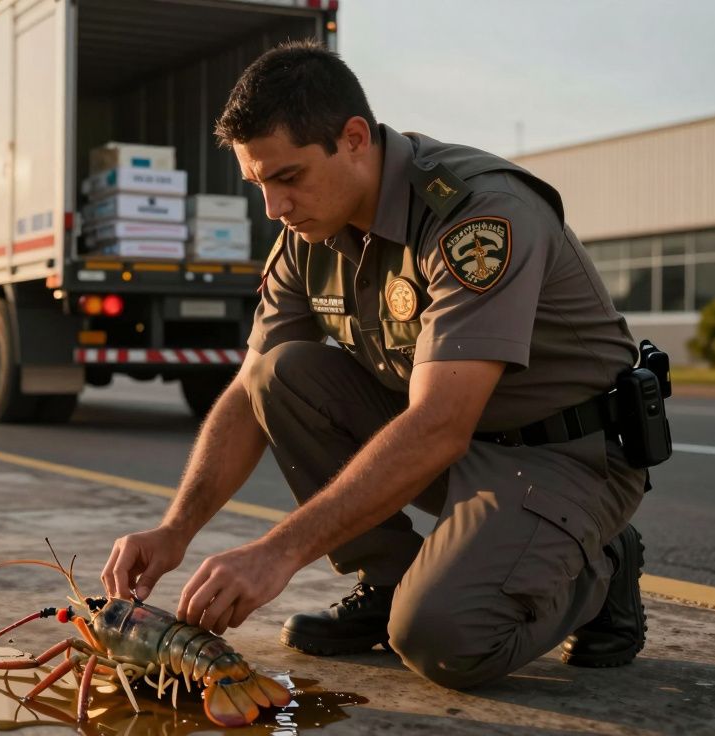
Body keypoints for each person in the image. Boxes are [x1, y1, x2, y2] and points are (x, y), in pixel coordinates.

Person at [102, 40, 653, 690]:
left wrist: (276, 554)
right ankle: (387, 579)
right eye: (259, 185)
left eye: (289, 176)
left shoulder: (476, 216)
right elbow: (251, 389)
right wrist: (175, 530)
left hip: (567, 456)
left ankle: (602, 566)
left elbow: (440, 425)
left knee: (443, 639)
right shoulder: (308, 234)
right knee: (280, 376)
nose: (274, 207)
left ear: (355, 138)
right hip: (465, 447)